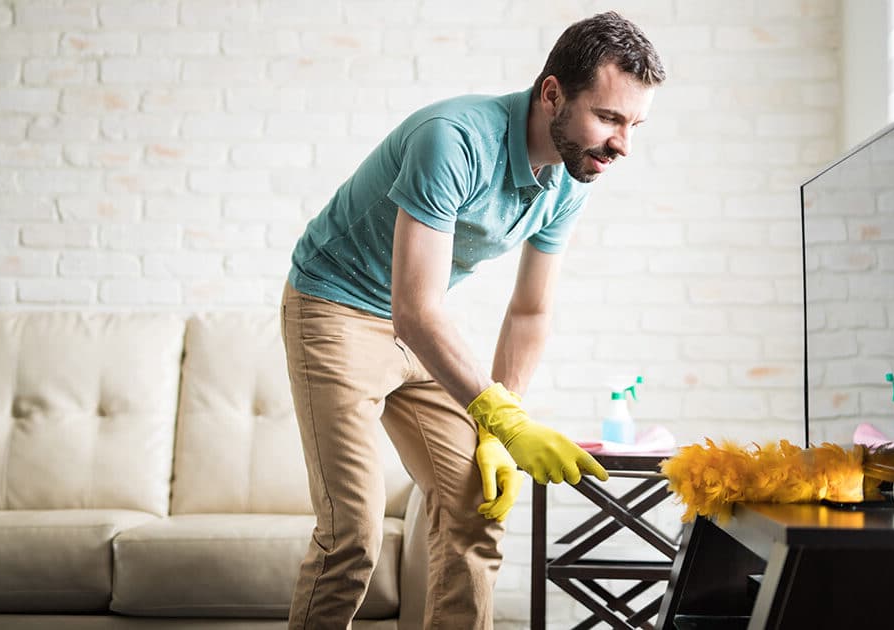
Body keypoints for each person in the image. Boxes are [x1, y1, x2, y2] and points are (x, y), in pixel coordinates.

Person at [280, 11, 665, 629]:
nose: (622, 144)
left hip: (415, 324)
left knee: (476, 507)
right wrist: (506, 422)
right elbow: (415, 311)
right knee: (352, 534)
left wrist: (496, 425)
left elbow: (530, 310)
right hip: (335, 307)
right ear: (552, 93)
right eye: (608, 117)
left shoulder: (573, 175)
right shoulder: (452, 140)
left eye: (634, 125)